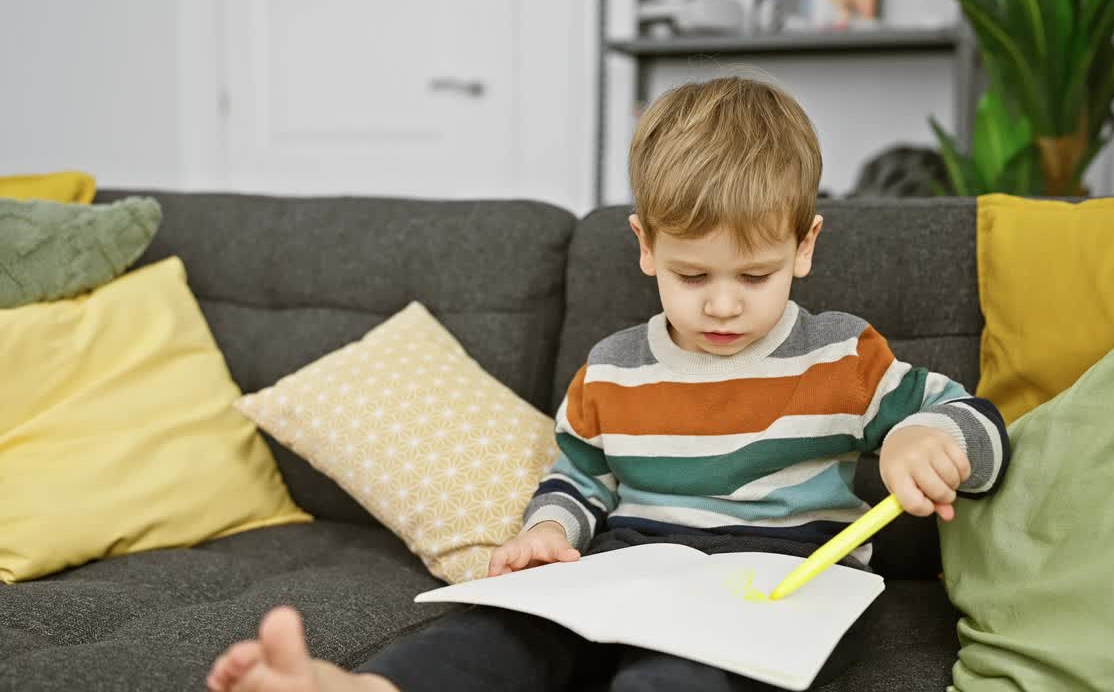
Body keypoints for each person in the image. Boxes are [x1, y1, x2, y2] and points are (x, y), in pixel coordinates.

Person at [207, 76, 1009, 692]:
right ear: (646, 246)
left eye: (755, 274)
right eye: (692, 274)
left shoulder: (842, 354)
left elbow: (979, 425)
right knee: (495, 636)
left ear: (805, 245)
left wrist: (926, 438)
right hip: (630, 578)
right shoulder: (613, 367)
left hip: (777, 595)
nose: (723, 304)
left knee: (674, 682)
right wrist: (551, 532)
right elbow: (578, 479)